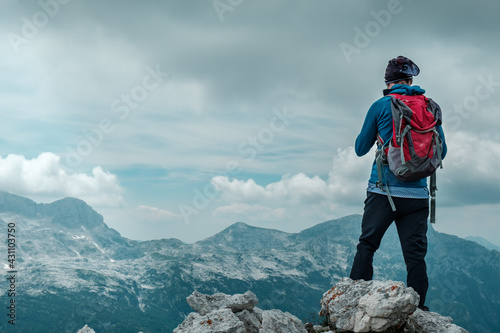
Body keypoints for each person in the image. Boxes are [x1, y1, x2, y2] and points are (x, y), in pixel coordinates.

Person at [349, 56, 447, 311]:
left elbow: (360, 149)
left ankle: (353, 303)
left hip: (383, 191)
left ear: (388, 81)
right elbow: (442, 151)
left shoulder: (381, 105)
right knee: (415, 258)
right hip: (418, 195)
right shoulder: (430, 107)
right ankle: (419, 310)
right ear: (411, 80)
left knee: (367, 245)